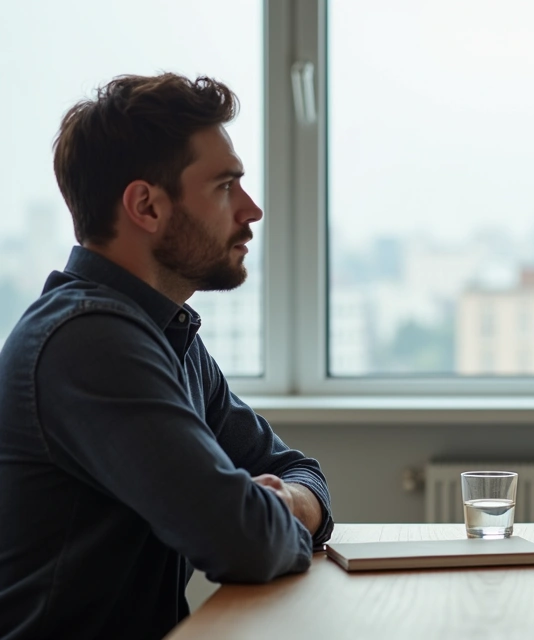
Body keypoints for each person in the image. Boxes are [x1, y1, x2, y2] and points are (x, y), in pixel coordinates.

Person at [0, 73, 334, 639]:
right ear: (147, 206)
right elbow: (242, 542)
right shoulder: (89, 342)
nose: (251, 210)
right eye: (225, 187)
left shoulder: (163, 332)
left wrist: (294, 501)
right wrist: (292, 510)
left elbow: (294, 470)